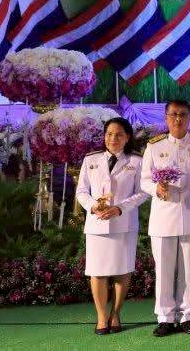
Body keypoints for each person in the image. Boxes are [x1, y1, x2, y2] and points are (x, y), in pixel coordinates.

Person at [140, 100, 190, 337]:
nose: (178, 119)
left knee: (189, 270)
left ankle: (186, 315)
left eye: (183, 114)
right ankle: (165, 317)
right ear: (166, 117)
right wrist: (156, 188)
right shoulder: (155, 146)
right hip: (164, 216)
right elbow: (144, 180)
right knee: (163, 269)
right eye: (173, 114)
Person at [77, 116, 149, 335]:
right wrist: (93, 206)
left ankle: (115, 314)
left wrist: (120, 208)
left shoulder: (136, 161)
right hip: (97, 224)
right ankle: (101, 317)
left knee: (122, 271)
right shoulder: (91, 159)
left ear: (127, 137)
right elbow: (82, 191)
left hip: (123, 223)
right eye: (109, 134)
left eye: (118, 135)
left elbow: (143, 192)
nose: (113, 138)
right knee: (97, 272)